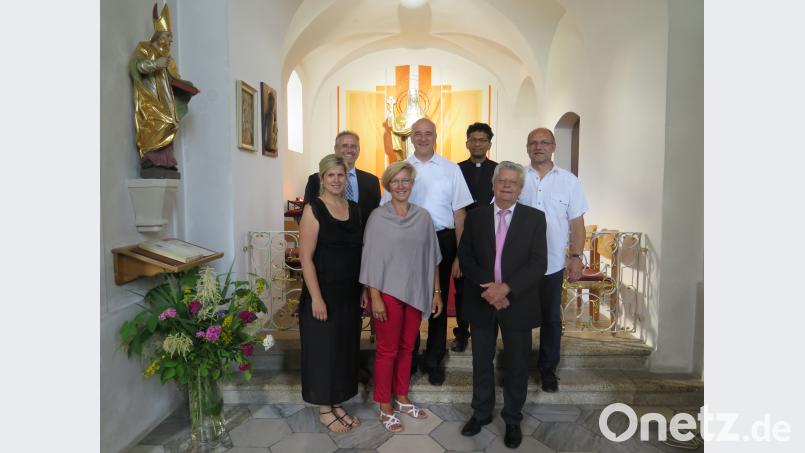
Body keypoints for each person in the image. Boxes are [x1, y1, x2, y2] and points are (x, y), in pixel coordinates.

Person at [457, 161, 547, 449]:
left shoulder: (535, 218)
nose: (507, 186)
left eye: (513, 182)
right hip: (482, 300)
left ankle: (512, 419)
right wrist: (490, 289)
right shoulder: (477, 216)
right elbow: (466, 256)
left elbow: (538, 262)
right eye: (502, 181)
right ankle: (481, 413)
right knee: (481, 361)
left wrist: (506, 288)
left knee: (517, 364)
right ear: (493, 185)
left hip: (517, 301)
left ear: (521, 189)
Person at [380, 118, 474, 385]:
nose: (423, 138)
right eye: (417, 134)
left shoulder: (450, 169)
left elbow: (459, 215)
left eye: (428, 134)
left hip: (442, 239)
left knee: (438, 301)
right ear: (411, 138)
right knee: (407, 300)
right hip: (405, 242)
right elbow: (386, 211)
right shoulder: (400, 168)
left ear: (436, 136)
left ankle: (434, 358)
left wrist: (459, 254)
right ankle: (409, 355)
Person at [359, 161, 444, 433]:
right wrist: (375, 297)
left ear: (412, 184)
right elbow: (370, 259)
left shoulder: (423, 217)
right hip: (387, 293)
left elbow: (433, 258)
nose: (401, 186)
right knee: (387, 350)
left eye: (406, 181)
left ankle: (402, 396)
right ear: (388, 185)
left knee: (408, 347)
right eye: (395, 181)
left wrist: (436, 292)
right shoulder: (377, 217)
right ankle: (385, 403)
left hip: (416, 290)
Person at [298, 154, 367, 432]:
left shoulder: (354, 208)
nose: (337, 180)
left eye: (341, 175)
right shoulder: (313, 209)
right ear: (322, 178)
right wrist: (316, 297)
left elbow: (358, 252)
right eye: (331, 175)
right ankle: (325, 409)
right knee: (323, 351)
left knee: (343, 349)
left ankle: (337, 402)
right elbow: (305, 258)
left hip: (348, 293)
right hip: (322, 292)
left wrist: (362, 289)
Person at [518, 127, 588, 393]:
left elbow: (577, 223)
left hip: (552, 263)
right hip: (520, 265)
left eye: (544, 142)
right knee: (520, 318)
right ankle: (519, 367)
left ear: (554, 146)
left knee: (551, 319)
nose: (539, 146)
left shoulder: (569, 181)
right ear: (527, 147)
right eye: (533, 142)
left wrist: (576, 257)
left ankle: (548, 369)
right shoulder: (517, 177)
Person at [128, 3, 199, 177]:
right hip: (150, 97)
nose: (170, 40)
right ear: (159, 35)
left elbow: (173, 78)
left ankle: (166, 160)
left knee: (171, 124)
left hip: (166, 99)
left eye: (171, 37)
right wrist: (155, 64)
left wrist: (184, 86)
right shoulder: (144, 48)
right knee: (157, 124)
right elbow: (136, 66)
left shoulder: (169, 58)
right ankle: (152, 159)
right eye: (168, 36)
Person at [451, 122, 498, 353]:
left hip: (490, 238)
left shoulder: (499, 171)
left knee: (488, 283)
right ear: (467, 142)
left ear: (489, 144)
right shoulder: (455, 169)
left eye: (482, 140)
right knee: (461, 289)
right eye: (473, 139)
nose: (477, 144)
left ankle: (487, 331)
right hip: (461, 235)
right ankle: (461, 333)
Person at [303, 131, 382, 228]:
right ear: (335, 148)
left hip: (364, 241)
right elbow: (307, 217)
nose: (349, 150)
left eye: (353, 146)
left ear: (359, 150)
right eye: (344, 145)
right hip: (327, 239)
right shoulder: (315, 180)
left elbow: (377, 216)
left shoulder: (372, 181)